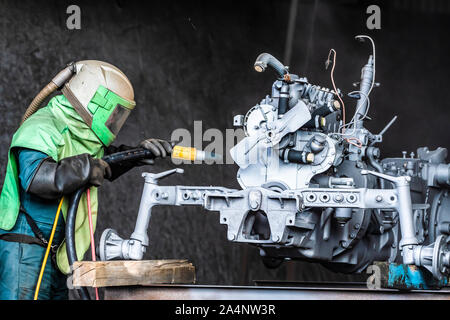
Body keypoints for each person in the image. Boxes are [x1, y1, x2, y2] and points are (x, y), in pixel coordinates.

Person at [0, 60, 172, 299]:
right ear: (93, 100)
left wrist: (136, 154)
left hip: (56, 252)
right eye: (114, 114)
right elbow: (36, 178)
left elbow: (102, 164)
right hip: (26, 250)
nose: (114, 121)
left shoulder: (81, 137)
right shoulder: (42, 126)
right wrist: (86, 168)